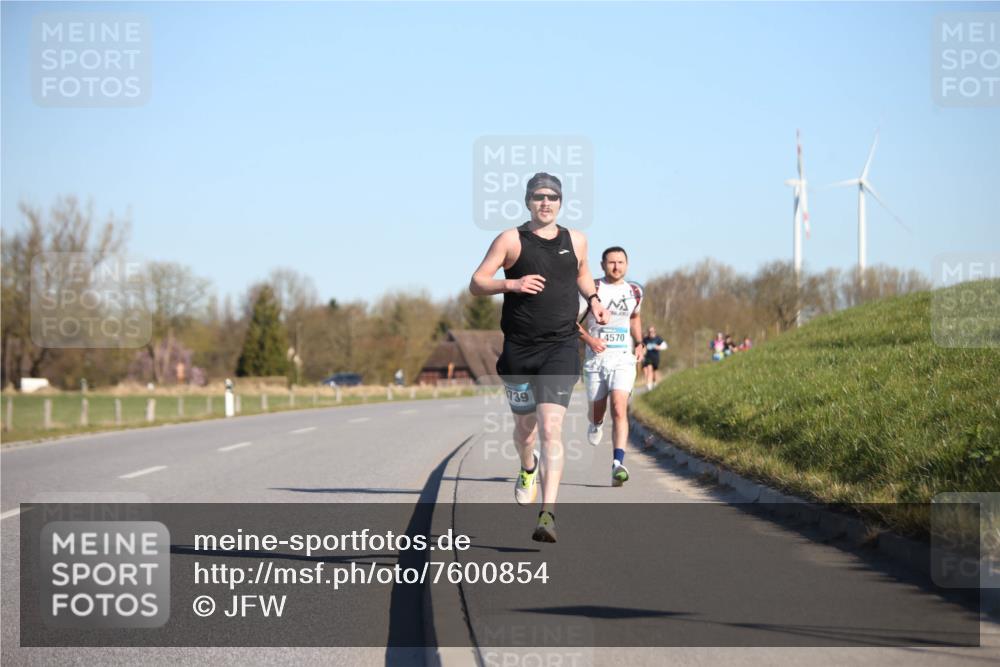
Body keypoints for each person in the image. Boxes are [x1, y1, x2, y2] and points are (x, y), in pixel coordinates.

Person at [470, 172, 609, 543]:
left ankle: (547, 514)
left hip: (561, 347)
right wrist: (511, 283)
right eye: (538, 197)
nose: (545, 203)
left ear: (561, 202)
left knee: (550, 428)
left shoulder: (576, 239)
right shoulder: (510, 240)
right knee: (525, 431)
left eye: (552, 197)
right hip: (519, 350)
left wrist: (594, 299)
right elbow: (476, 282)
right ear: (528, 201)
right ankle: (527, 466)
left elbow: (583, 273)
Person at [577, 247, 644, 487]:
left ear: (627, 264)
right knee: (598, 411)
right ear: (603, 265)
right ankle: (596, 423)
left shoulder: (635, 291)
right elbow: (570, 322)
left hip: (623, 359)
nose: (616, 267)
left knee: (619, 407)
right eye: (611, 262)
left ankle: (617, 464)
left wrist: (640, 342)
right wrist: (590, 341)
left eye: (621, 262)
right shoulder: (592, 289)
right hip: (596, 360)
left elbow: (634, 317)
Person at [641, 326, 667, 391]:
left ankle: (655, 383)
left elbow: (665, 346)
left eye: (652, 331)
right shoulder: (645, 339)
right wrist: (643, 352)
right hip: (648, 357)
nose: (651, 333)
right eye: (649, 332)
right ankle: (649, 386)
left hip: (655, 357)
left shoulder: (658, 339)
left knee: (655, 371)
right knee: (649, 370)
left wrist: (658, 347)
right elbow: (642, 346)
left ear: (654, 332)